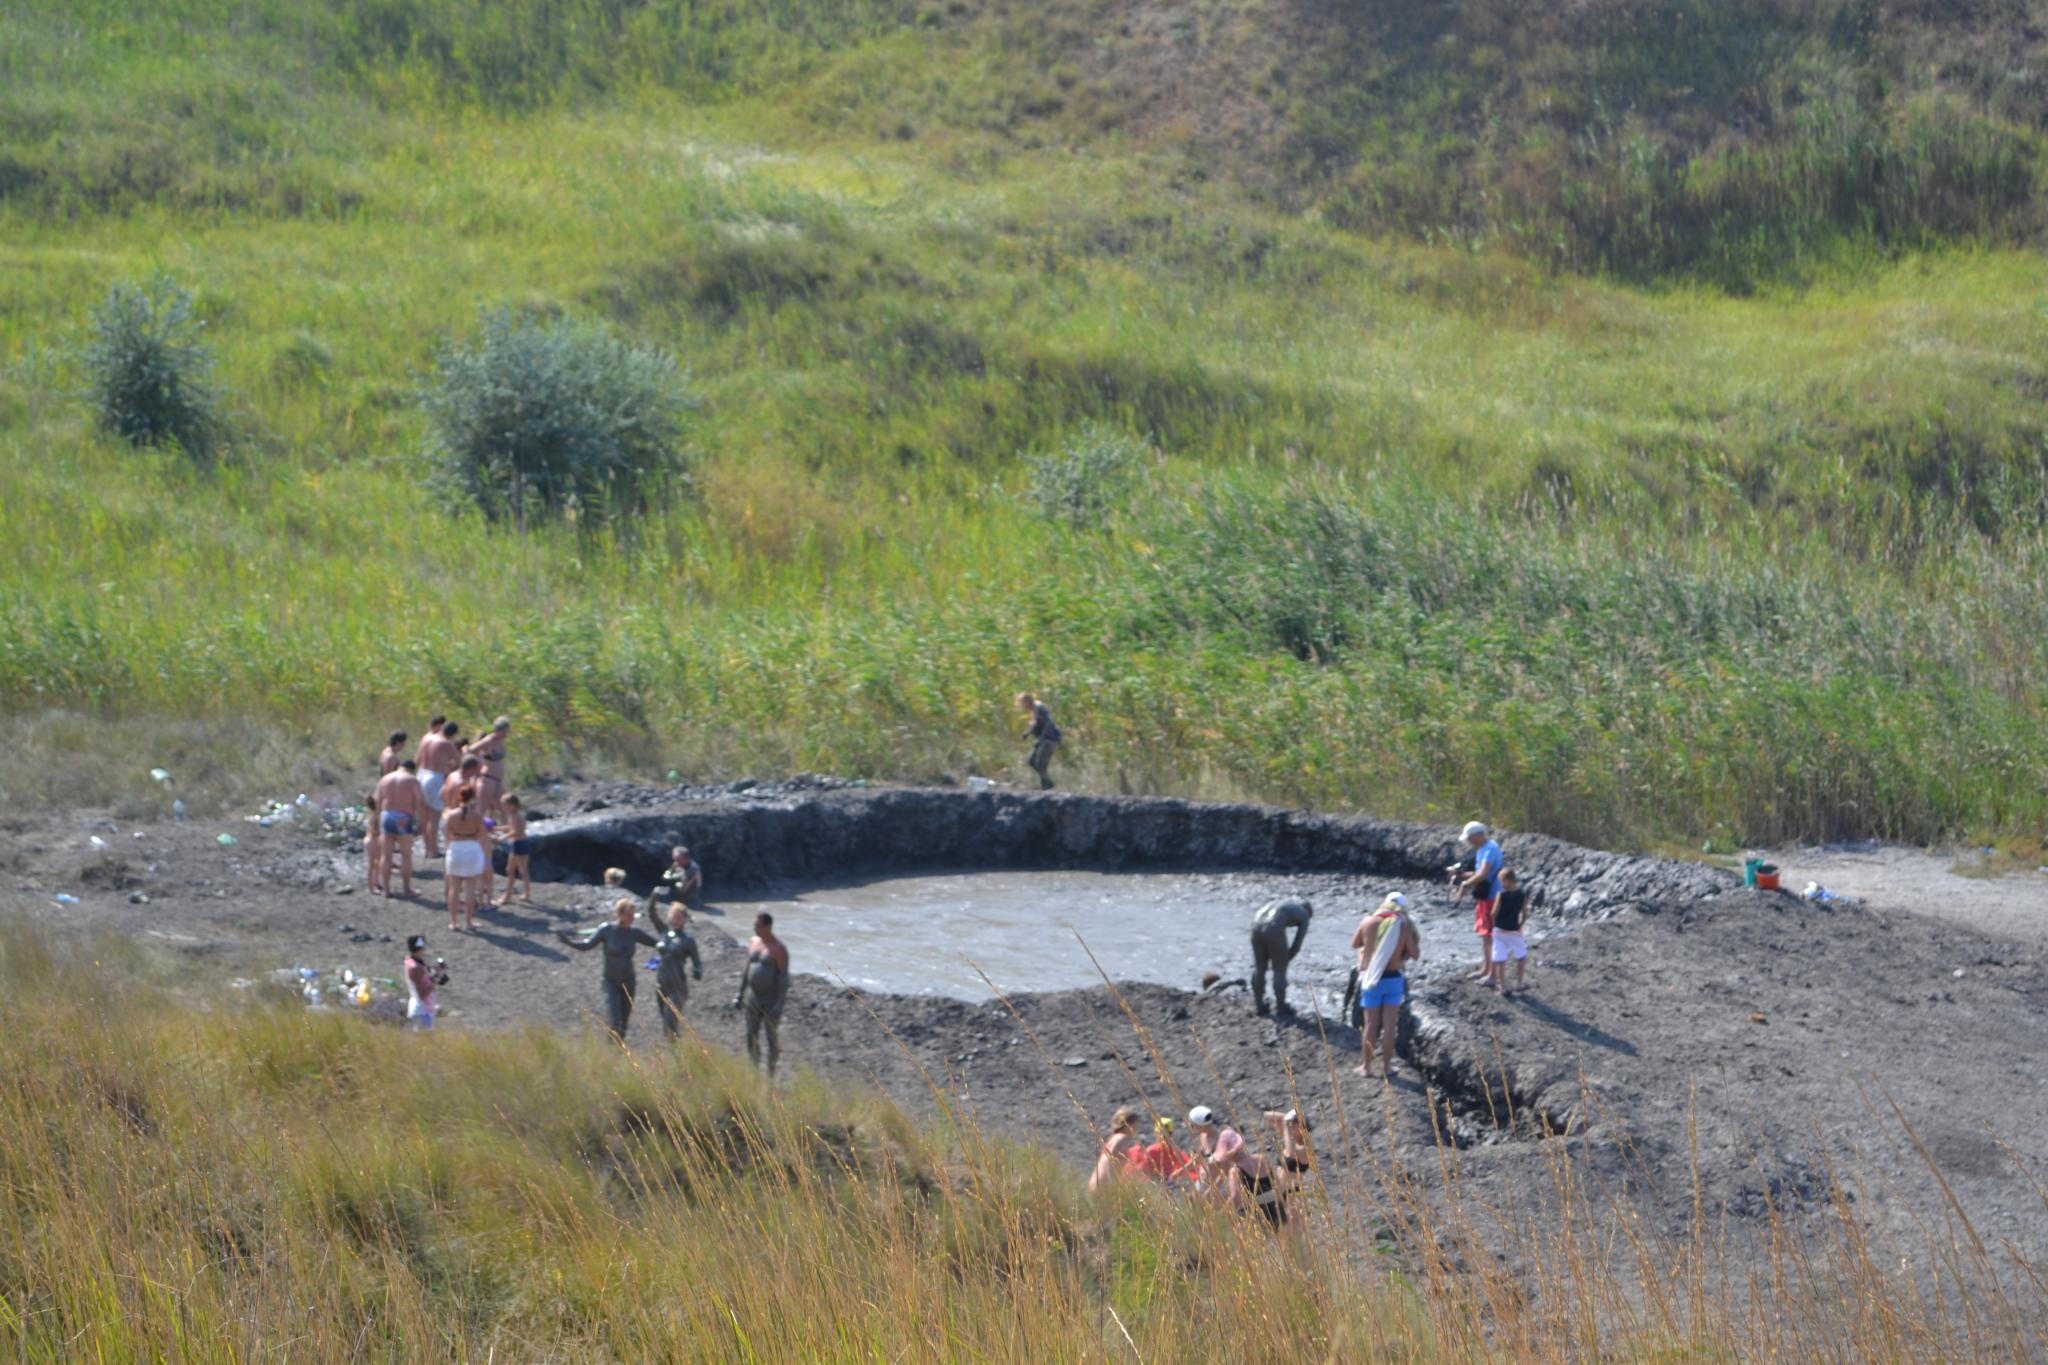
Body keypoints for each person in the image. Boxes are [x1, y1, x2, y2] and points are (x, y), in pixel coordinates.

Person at [559, 897, 659, 1043]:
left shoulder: (635, 933)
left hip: (629, 981)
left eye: (633, 915)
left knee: (624, 1022)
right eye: (629, 914)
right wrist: (569, 942)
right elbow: (587, 945)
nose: (632, 918)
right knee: (615, 1020)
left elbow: (657, 943)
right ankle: (610, 1048)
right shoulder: (607, 930)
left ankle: (619, 1050)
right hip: (610, 981)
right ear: (620, 914)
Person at [1351, 893, 1422, 1079]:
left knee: (1370, 1024)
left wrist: (1369, 945)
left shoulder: (1368, 921)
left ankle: (1366, 1067)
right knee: (1390, 1025)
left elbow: (1355, 943)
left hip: (1372, 979)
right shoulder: (1403, 925)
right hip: (1393, 980)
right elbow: (1415, 954)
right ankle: (1387, 1067)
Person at [734, 912, 790, 1078]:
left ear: (768, 926)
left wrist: (779, 1003)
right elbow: (747, 969)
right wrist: (740, 993)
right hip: (753, 996)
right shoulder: (753, 942)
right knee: (751, 1033)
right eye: (754, 925)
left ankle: (771, 1072)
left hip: (770, 999)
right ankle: (754, 1069)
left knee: (770, 1036)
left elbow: (783, 977)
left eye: (758, 925)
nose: (755, 928)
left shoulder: (778, 948)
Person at [1451, 821, 1505, 983]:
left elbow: (1482, 874)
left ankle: (1493, 975)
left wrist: (1465, 885)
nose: (1469, 842)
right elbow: (1479, 872)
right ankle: (1486, 969)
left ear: (1478, 835)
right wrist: (1462, 874)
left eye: (1470, 838)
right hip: (1486, 896)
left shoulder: (1489, 850)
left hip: (1492, 896)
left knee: (1490, 935)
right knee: (1485, 935)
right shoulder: (1484, 848)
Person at [645, 895, 704, 1039]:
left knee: (670, 1022)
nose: (676, 920)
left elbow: (697, 962)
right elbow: (651, 913)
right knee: (666, 1023)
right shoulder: (664, 932)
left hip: (677, 986)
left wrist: (698, 971)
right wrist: (654, 896)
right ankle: (677, 1053)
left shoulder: (688, 940)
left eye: (679, 917)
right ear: (670, 917)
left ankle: (678, 1054)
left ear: (684, 919)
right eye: (674, 916)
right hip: (661, 984)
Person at [1209, 1128, 1288, 1229]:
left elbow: (1236, 1198)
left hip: (1259, 1215)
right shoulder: (1261, 1158)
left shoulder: (1235, 1170)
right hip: (1278, 1209)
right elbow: (1278, 1182)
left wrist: (1222, 1215)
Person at [1249, 898, 1313, 1018]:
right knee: (1279, 970)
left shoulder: (1284, 904)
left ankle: (1259, 1005)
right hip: (1273, 927)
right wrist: (1284, 959)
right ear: (1309, 912)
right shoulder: (1304, 914)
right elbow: (1296, 945)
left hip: (1255, 925)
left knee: (1259, 967)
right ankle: (1280, 1007)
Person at [372, 760, 424, 898]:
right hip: (403, 816)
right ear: (412, 769)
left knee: (386, 855)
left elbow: (377, 800)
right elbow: (419, 801)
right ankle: (407, 889)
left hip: (387, 815)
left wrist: (376, 821)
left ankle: (386, 890)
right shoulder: (412, 780)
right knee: (406, 855)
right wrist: (419, 822)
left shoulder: (385, 779)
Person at [441, 782, 489, 931]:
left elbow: (446, 834)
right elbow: (483, 836)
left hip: (456, 849)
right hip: (472, 848)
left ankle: (453, 922)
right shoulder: (476, 816)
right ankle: (468, 922)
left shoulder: (451, 815)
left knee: (454, 888)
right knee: (470, 888)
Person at [415, 718, 458, 857]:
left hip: (421, 774)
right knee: (434, 817)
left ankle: (427, 847)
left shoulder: (426, 738)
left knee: (424, 815)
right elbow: (457, 761)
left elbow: (417, 759)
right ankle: (433, 850)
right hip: (434, 777)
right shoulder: (446, 743)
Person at [1488, 868, 1531, 995]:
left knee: (1500, 959)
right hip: (1514, 930)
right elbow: (1525, 913)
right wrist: (1520, 925)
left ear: (1507, 881)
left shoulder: (1501, 895)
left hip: (1499, 930)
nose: (1501, 884)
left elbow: (1493, 913)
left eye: (1501, 881)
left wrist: (1494, 924)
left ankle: (1503, 987)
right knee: (1521, 955)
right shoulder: (1522, 895)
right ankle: (1520, 983)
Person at [1129, 1115, 1199, 1187]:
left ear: (1155, 1133)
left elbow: (1142, 1175)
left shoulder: (1152, 1151)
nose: (1163, 1137)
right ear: (1172, 1134)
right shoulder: (1177, 1152)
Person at [1088, 1107, 1144, 1194]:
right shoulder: (1122, 1138)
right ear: (1128, 1125)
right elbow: (1111, 1161)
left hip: (1095, 1184)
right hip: (1104, 1188)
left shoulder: (1113, 1138)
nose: (1137, 1128)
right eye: (1136, 1124)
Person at [1016, 691, 1061, 790]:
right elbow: (1036, 724)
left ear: (1027, 701)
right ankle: (1046, 784)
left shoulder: (1039, 707)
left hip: (1050, 738)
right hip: (1043, 739)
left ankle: (1047, 785)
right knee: (1031, 761)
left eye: (1022, 703)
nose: (1021, 706)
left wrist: (1041, 738)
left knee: (1041, 764)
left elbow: (1048, 724)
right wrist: (1027, 733)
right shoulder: (1033, 709)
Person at [468, 717, 511, 818]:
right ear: (499, 730)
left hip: (498, 780)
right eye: (505, 731)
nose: (506, 734)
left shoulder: (500, 741)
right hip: (488, 778)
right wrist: (480, 761)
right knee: (482, 808)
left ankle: (508, 831)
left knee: (504, 808)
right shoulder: (489, 740)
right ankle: (475, 830)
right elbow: (471, 749)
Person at [495, 795, 532, 906]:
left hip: (519, 844)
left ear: (512, 805)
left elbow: (515, 831)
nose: (502, 808)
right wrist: (496, 828)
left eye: (504, 805)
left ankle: (507, 895)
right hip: (523, 843)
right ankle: (526, 893)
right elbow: (509, 827)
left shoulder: (515, 816)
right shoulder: (515, 815)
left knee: (511, 870)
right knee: (521, 870)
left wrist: (502, 838)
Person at [403, 933, 442, 1031]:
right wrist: (434, 982)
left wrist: (432, 972)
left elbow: (421, 975)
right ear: (421, 947)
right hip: (421, 1010)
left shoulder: (410, 961)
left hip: (422, 1008)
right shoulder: (416, 968)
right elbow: (421, 995)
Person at [362, 792, 382, 894]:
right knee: (372, 864)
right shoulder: (375, 816)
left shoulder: (374, 815)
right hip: (373, 841)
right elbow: (373, 830)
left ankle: (375, 883)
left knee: (376, 863)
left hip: (371, 840)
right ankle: (371, 887)